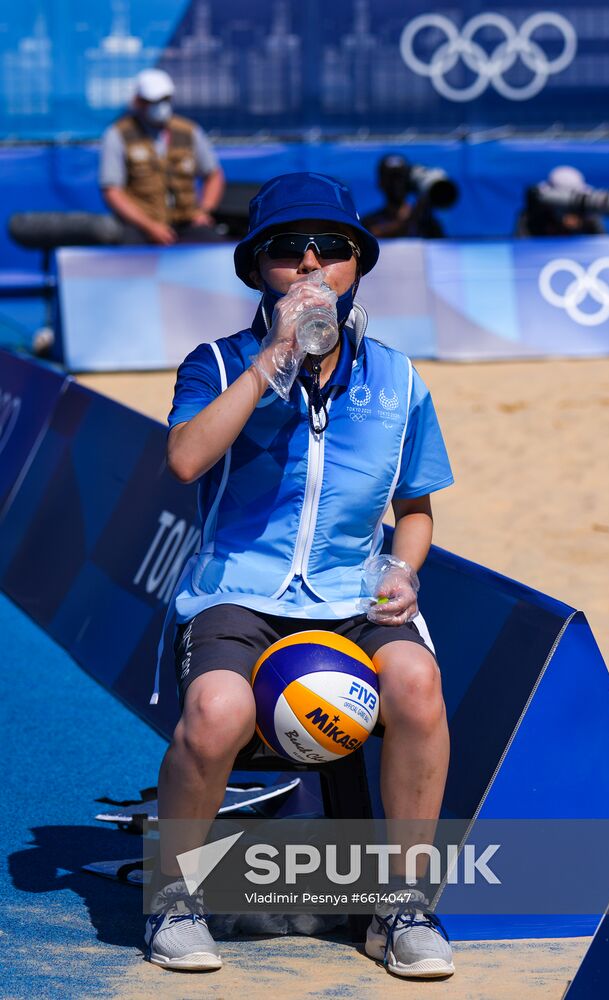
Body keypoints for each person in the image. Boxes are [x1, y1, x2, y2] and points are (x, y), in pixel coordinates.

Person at [146, 172, 456, 978]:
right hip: (234, 595)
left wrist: (404, 569)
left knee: (419, 685)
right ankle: (173, 898)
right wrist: (273, 360)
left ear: (359, 264)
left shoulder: (398, 378)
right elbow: (183, 460)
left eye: (333, 248)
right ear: (258, 268)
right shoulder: (216, 364)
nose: (312, 263)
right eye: (288, 249)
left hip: (353, 597)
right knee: (216, 713)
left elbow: (415, 507)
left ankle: (406, 908)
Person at [99, 69, 225, 245]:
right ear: (138, 102)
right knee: (127, 247)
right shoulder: (118, 134)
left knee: (211, 243)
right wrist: (149, 226)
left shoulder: (188, 131)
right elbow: (112, 190)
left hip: (185, 221)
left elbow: (213, 174)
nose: (160, 105)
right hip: (140, 225)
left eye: (165, 99)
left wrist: (204, 210)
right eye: (152, 101)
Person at [362, 154, 445, 238]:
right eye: (391, 177)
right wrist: (414, 216)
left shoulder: (426, 224)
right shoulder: (369, 222)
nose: (396, 183)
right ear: (381, 182)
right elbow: (373, 235)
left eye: (401, 177)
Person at [517, 165, 605, 237]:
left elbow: (601, 242)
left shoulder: (588, 215)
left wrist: (580, 226)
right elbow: (522, 246)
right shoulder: (532, 216)